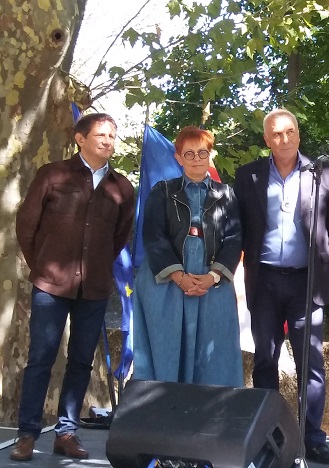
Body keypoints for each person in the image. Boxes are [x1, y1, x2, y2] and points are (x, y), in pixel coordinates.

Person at [12, 113, 136, 461]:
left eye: (112, 136)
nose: (108, 141)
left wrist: (97, 267)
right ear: (80, 139)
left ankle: (66, 432)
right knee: (40, 359)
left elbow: (119, 237)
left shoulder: (122, 188)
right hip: (50, 285)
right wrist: (43, 265)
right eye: (101, 134)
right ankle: (27, 434)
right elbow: (27, 225)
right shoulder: (52, 175)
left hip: (94, 289)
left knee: (81, 361)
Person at [234, 109, 329, 465]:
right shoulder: (248, 175)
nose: (285, 139)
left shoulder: (322, 172)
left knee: (311, 362)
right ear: (266, 139)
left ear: (298, 134)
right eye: (277, 134)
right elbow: (239, 227)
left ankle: (312, 439)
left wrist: (322, 259)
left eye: (290, 131)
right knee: (265, 360)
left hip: (306, 282)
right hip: (264, 279)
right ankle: (270, 438)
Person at [131, 126, 243, 386]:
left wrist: (213, 276)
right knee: (167, 346)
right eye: (189, 154)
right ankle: (162, 404)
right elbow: (153, 235)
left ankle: (212, 407)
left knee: (215, 349)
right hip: (166, 281)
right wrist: (178, 276)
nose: (196, 159)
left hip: (212, 281)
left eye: (202, 153)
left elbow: (234, 238)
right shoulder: (162, 191)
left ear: (209, 155)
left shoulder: (226, 194)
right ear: (178, 158)